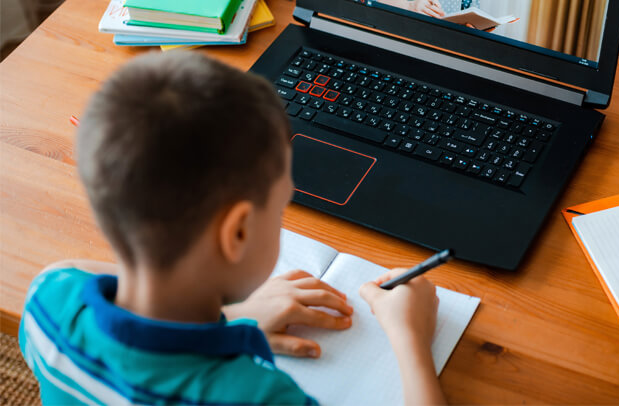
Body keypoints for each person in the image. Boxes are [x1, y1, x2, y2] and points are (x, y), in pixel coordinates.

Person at [17, 51, 445, 405]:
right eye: (280, 207)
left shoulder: (48, 301)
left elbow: (70, 267)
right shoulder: (257, 396)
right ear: (237, 233)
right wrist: (412, 338)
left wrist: (232, 318)